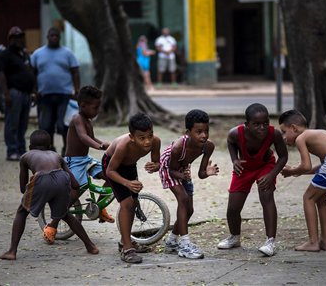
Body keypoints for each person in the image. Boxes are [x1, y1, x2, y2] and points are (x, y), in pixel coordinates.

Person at [0, 130, 99, 260]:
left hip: (41, 179)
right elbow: (75, 184)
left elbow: (23, 188)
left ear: (30, 147)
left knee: (22, 212)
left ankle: (12, 251)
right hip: (62, 178)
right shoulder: (56, 155)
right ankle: (91, 246)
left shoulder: (26, 156)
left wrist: (39, 194)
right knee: (65, 215)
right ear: (50, 146)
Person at [43, 85, 113, 244]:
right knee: (73, 195)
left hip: (85, 160)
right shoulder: (77, 119)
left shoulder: (88, 120)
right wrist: (100, 147)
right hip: (73, 162)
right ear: (83, 105)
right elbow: (83, 137)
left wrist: (106, 145)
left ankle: (100, 207)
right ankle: (52, 225)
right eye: (95, 107)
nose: (98, 111)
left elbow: (92, 138)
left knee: (110, 174)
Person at [279, 110, 326, 252]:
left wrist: (291, 171)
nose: (283, 137)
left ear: (294, 128)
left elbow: (306, 166)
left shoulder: (300, 138)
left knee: (308, 198)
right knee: (320, 199)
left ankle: (313, 242)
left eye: (284, 132)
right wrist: (296, 170)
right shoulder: (316, 134)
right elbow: (322, 167)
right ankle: (325, 242)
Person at [218, 103, 287, 257]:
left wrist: (271, 175)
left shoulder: (273, 134)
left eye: (265, 123)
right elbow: (230, 142)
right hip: (244, 167)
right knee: (233, 207)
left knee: (266, 196)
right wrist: (235, 160)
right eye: (256, 124)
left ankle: (270, 242)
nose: (262, 128)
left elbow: (283, 156)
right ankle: (234, 237)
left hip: (265, 166)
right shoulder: (236, 133)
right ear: (247, 124)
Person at [103, 113, 161, 263]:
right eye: (142, 138)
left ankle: (125, 241)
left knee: (134, 203)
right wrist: (127, 183)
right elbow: (110, 171)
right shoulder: (123, 146)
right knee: (127, 203)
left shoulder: (156, 142)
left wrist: (155, 166)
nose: (147, 141)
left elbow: (157, 163)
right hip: (112, 166)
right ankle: (127, 249)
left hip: (129, 166)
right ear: (132, 137)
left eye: (150, 135)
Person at [160, 109, 219, 259]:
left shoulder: (208, 146)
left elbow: (201, 174)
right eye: (199, 132)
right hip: (169, 167)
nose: (204, 135)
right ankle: (185, 245)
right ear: (188, 132)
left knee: (190, 210)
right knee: (183, 199)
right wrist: (182, 175)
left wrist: (208, 172)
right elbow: (172, 170)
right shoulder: (179, 147)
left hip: (184, 168)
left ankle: (172, 241)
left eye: (206, 131)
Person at [31, 27, 80, 156]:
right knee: (46, 125)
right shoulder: (37, 53)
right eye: (52, 35)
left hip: (64, 95)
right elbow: (32, 73)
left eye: (57, 36)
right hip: (44, 95)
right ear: (47, 37)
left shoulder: (67, 53)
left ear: (60, 37)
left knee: (64, 124)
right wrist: (34, 91)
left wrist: (76, 90)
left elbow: (75, 71)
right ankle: (49, 149)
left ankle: (66, 149)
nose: (54, 38)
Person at [0, 26, 36, 161]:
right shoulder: (5, 54)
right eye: (16, 37)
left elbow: (30, 73)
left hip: (26, 94)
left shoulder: (24, 55)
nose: (19, 40)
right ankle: (12, 150)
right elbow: (1, 74)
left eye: (21, 37)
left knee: (23, 124)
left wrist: (33, 92)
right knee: (12, 123)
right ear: (10, 39)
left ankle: (21, 149)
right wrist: (6, 94)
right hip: (14, 93)